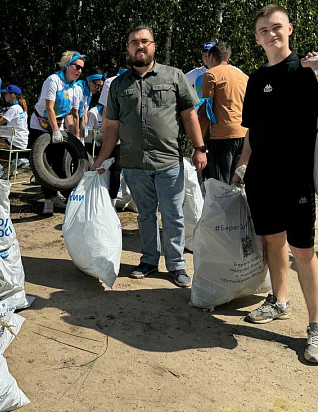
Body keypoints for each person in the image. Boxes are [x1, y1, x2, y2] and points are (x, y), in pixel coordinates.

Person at [233, 4, 318, 364]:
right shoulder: (255, 79)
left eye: (277, 27)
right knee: (271, 240)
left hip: (296, 177)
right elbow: (252, 130)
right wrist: (242, 164)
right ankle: (279, 300)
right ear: (257, 37)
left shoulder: (307, 70)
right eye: (264, 30)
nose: (271, 34)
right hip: (261, 177)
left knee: (303, 250)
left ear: (290, 29)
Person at [92, 25, 207, 287]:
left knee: (173, 215)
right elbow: (112, 127)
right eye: (134, 42)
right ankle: (149, 261)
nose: (140, 46)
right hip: (134, 164)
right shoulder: (118, 85)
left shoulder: (174, 76)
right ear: (128, 49)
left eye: (145, 41)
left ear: (153, 45)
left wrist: (199, 148)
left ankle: (177, 265)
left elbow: (190, 115)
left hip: (168, 161)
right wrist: (100, 160)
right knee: (144, 215)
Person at [30, 51, 85, 214]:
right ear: (68, 66)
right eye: (77, 67)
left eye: (82, 68)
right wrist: (54, 130)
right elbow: (49, 108)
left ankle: (66, 198)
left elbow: (72, 115)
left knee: (60, 161)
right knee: (44, 163)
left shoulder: (76, 88)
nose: (79, 71)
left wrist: (76, 139)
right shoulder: (53, 80)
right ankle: (48, 200)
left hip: (59, 124)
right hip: (40, 124)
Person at [199, 41, 249, 184]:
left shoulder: (210, 75)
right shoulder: (243, 76)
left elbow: (205, 112)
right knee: (235, 182)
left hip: (222, 135)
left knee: (220, 184)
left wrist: (199, 142)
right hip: (243, 134)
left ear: (212, 57)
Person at [97, 55, 130, 202]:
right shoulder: (136, 79)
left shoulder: (110, 82)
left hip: (113, 129)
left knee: (109, 166)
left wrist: (102, 130)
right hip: (131, 131)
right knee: (123, 167)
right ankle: (119, 199)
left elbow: (106, 109)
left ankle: (108, 200)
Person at [0, 84, 29, 179]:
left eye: (6, 94)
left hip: (14, 140)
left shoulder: (13, 109)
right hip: (22, 140)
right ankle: (8, 167)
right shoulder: (21, 109)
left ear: (12, 95)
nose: (4, 96)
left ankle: (7, 167)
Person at [185, 41, 217, 111]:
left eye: (209, 54)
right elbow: (180, 84)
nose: (206, 57)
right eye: (204, 55)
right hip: (199, 116)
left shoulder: (221, 71)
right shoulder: (195, 73)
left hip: (216, 115)